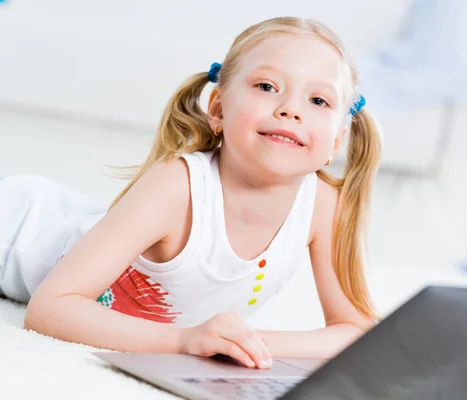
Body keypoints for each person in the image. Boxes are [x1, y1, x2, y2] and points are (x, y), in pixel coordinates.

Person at [0, 16, 382, 370]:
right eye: (267, 86)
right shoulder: (176, 186)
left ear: (337, 140)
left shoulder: (323, 206)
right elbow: (51, 308)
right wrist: (184, 340)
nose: (290, 110)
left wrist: (247, 342)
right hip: (15, 224)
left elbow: (358, 333)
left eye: (318, 100)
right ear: (217, 109)